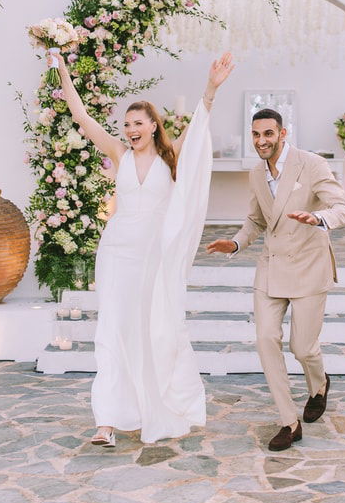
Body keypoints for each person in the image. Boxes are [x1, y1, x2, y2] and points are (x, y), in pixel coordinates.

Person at [53, 50, 235, 446]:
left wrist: (211, 87)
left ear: (153, 126)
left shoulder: (171, 159)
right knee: (114, 330)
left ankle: (157, 405)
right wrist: (62, 70)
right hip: (117, 253)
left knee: (152, 331)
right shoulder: (119, 154)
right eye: (126, 124)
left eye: (137, 123)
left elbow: (199, 126)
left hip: (154, 258)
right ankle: (107, 421)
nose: (130, 129)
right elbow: (83, 119)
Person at [207, 109, 345, 451]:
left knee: (302, 348)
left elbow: (344, 210)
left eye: (268, 134)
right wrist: (236, 242)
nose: (262, 141)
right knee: (265, 338)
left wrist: (316, 217)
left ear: (283, 134)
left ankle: (318, 384)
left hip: (308, 267)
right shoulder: (256, 173)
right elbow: (256, 221)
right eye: (256, 135)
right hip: (271, 268)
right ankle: (289, 421)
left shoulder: (311, 164)